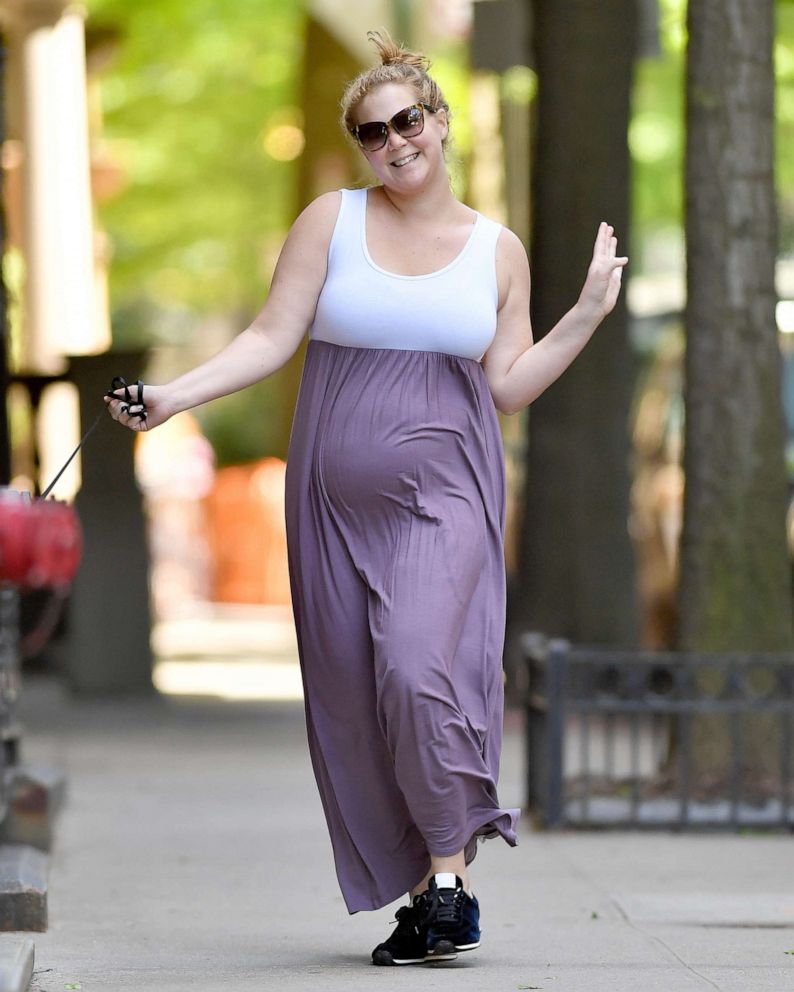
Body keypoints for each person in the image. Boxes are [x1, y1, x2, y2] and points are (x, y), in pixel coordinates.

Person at [107, 29, 628, 967]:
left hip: (448, 493)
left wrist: (585, 314)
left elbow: (506, 386)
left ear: (440, 122)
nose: (394, 142)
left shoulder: (497, 252)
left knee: (418, 670)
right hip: (333, 506)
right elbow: (270, 338)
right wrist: (169, 399)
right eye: (372, 131)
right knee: (358, 691)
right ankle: (437, 889)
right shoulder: (330, 222)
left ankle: (449, 881)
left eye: (409, 121)